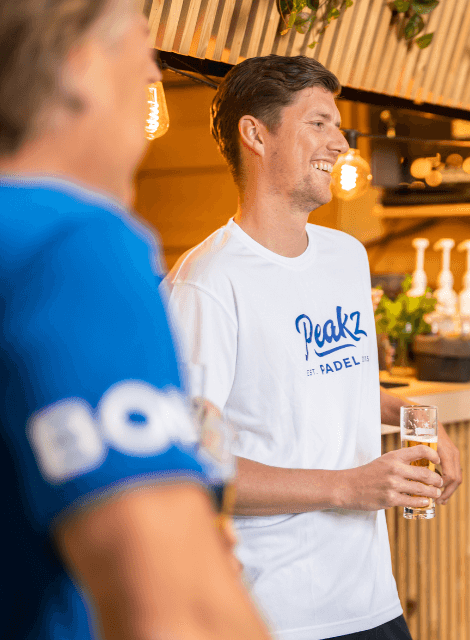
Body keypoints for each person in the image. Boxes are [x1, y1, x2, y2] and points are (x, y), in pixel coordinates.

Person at [162, 54, 463, 640]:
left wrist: (410, 414)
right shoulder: (207, 282)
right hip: (274, 611)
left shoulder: (346, 256)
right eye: (319, 123)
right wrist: (347, 486)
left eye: (339, 127)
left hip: (370, 594)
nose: (341, 143)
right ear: (255, 134)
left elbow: (327, 383)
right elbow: (194, 466)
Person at [0, 1, 272, 639]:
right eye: (142, 45)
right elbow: (176, 613)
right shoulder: (71, 243)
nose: (154, 74)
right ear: (80, 67)